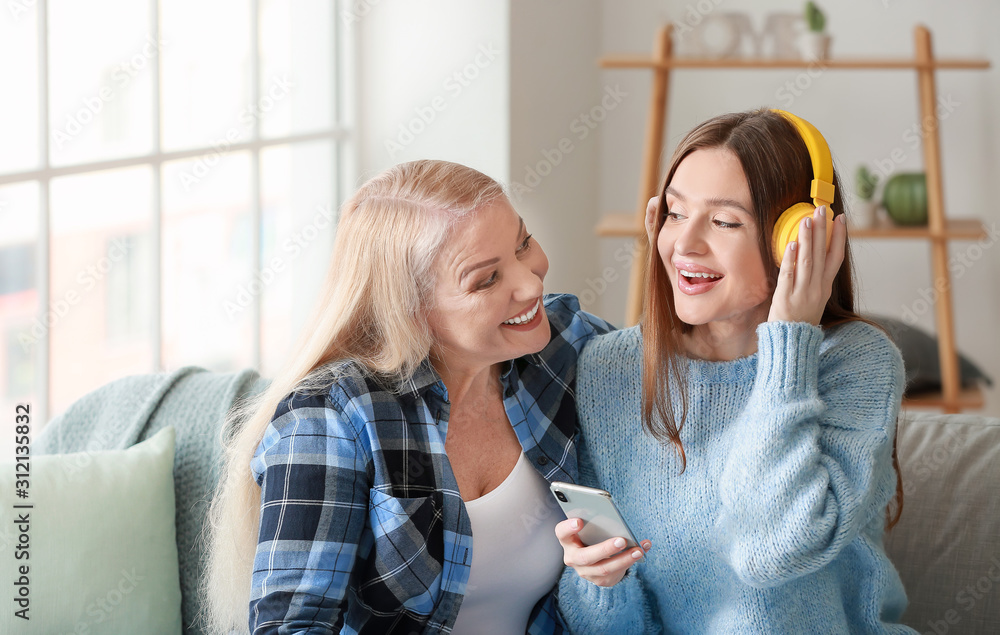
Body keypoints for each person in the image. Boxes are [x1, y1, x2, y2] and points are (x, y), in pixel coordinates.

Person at [203, 160, 614, 634]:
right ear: (410, 310)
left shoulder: (562, 346)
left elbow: (692, 366)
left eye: (522, 244)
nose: (531, 283)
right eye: (486, 279)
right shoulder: (330, 419)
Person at [554, 109, 917, 633]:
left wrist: (789, 347)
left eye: (724, 221)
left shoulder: (855, 363)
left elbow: (769, 552)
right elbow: (608, 628)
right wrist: (598, 582)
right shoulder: (610, 367)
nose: (684, 244)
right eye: (675, 214)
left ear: (796, 238)